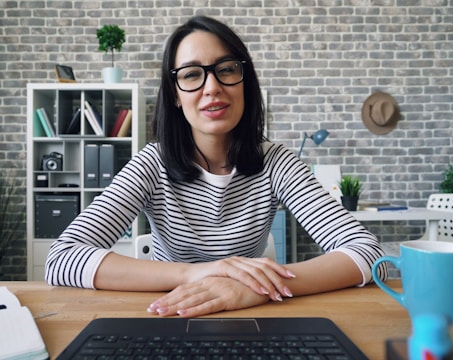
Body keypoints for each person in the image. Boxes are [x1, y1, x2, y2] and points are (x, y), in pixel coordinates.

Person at [46, 15, 388, 317]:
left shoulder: (277, 162)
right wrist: (194, 273)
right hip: (169, 312)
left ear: (245, 82)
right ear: (175, 94)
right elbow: (62, 258)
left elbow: (369, 254)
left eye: (226, 70)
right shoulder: (153, 162)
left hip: (253, 315)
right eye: (193, 74)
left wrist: (255, 287)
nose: (212, 88)